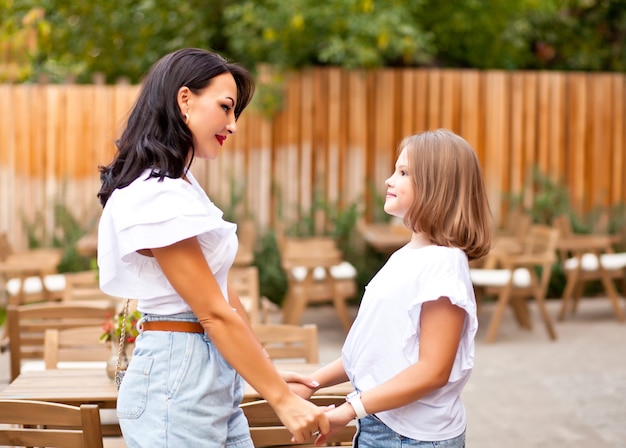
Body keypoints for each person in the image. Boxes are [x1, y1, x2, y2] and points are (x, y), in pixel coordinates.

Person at [96, 48, 329, 447]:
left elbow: (221, 290)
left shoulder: (181, 186)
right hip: (177, 377)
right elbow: (213, 312)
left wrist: (265, 370)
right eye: (226, 107)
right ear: (184, 99)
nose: (232, 124)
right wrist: (282, 401)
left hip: (204, 373)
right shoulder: (156, 194)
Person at [291, 129, 493, 447]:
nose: (389, 180)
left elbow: (432, 371)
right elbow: (375, 350)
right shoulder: (406, 256)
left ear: (435, 188)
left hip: (410, 437)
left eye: (403, 173)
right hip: (383, 422)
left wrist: (348, 411)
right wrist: (312, 382)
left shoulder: (444, 264)